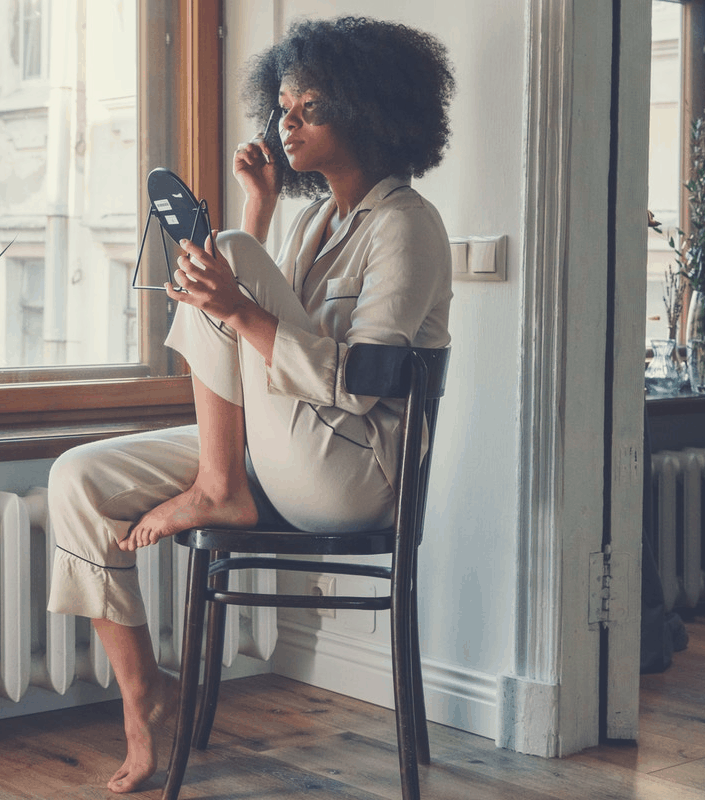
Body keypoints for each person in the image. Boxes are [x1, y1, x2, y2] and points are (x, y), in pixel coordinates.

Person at [45, 16, 455, 793]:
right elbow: (259, 332)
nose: (286, 121)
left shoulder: (406, 226)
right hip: (280, 449)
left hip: (347, 471)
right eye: (284, 106)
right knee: (76, 477)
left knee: (223, 251)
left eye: (310, 107)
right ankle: (145, 700)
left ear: (365, 110)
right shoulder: (313, 221)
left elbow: (361, 382)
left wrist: (236, 292)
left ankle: (217, 488)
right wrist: (259, 207)